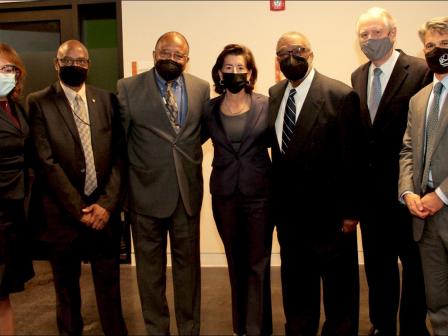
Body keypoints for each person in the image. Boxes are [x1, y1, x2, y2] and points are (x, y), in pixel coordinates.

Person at [27, 40, 127, 336]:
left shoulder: (106, 100)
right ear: (57, 64)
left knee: (110, 290)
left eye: (82, 60)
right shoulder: (39, 101)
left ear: (89, 65)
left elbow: (120, 157)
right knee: (67, 293)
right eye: (68, 60)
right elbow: (45, 162)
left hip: (104, 215)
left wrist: (107, 205)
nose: (76, 64)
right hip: (63, 216)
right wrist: (79, 209)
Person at [268, 31, 362, 336]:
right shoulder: (275, 93)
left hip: (331, 217)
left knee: (339, 293)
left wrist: (351, 211)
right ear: (277, 59)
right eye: (283, 52)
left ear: (311, 54)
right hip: (290, 217)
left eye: (298, 50)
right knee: (296, 290)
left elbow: (352, 158)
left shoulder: (339, 95)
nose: (290, 56)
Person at [117, 31, 210, 335]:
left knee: (189, 274)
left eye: (178, 55)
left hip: (186, 195)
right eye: (165, 52)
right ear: (155, 53)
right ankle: (157, 330)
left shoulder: (200, 88)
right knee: (149, 276)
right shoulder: (128, 88)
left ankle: (189, 329)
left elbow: (198, 133)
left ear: (187, 58)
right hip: (144, 197)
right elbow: (120, 143)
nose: (172, 58)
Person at [351, 7, 432, 336]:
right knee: (377, 267)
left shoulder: (421, 70)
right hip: (371, 198)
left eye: (376, 33)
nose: (370, 40)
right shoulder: (358, 75)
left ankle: (412, 327)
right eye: (364, 35)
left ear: (393, 34)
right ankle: (381, 325)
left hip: (408, 191)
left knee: (415, 267)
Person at [201, 44, 273, 336]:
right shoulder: (209, 109)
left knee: (258, 263)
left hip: (260, 195)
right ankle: (240, 327)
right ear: (219, 72)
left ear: (251, 72)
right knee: (235, 261)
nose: (234, 73)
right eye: (228, 68)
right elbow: (189, 143)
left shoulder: (267, 105)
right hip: (224, 196)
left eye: (240, 68)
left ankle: (257, 329)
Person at [399, 16, 448, 336]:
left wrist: (441, 195)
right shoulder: (419, 99)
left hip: (441, 203)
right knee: (437, 301)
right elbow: (406, 151)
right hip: (423, 217)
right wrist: (408, 193)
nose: (436, 51)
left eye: (444, 45)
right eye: (430, 45)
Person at [0, 43, 34, 335]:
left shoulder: (15, 108)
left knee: (4, 295)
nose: (5, 74)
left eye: (9, 68)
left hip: (13, 212)